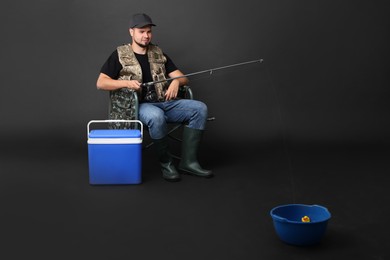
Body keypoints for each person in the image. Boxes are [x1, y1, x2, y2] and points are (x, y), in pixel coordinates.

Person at [96, 13, 213, 182]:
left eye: (148, 31)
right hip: (138, 107)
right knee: (156, 116)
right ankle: (167, 164)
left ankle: (189, 163)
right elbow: (101, 83)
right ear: (131, 32)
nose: (146, 35)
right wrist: (127, 84)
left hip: (164, 102)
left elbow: (183, 78)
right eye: (141, 31)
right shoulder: (119, 54)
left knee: (199, 108)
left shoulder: (158, 53)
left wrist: (175, 82)